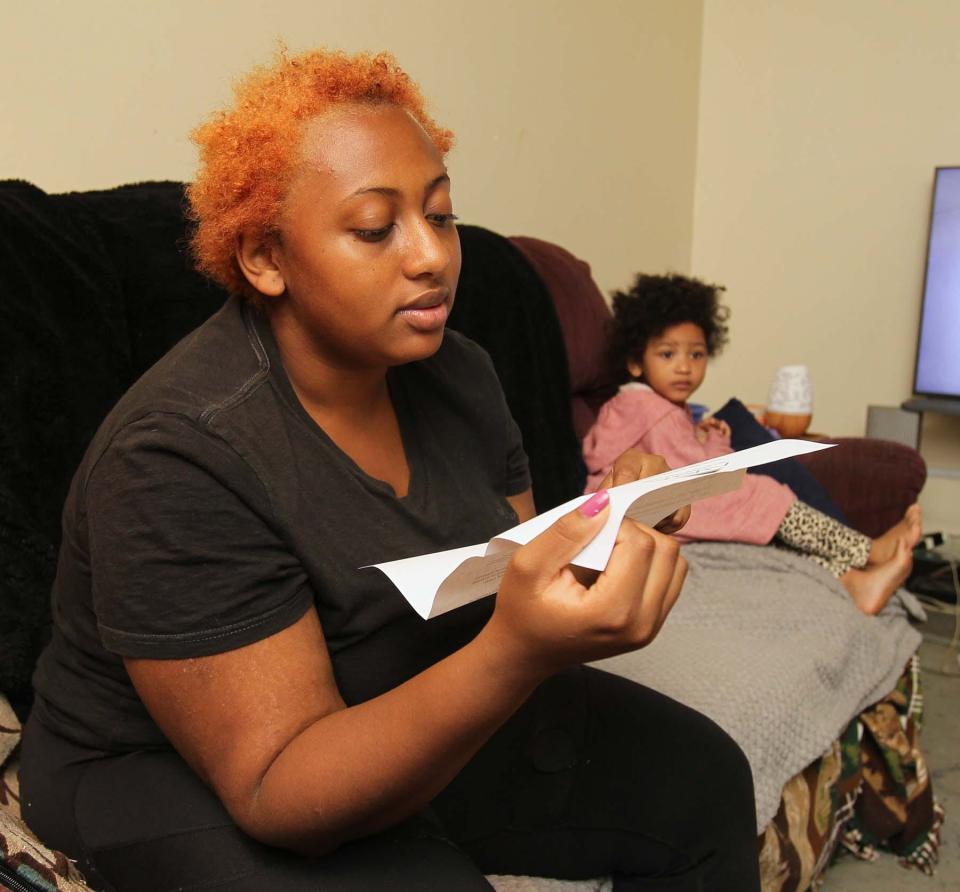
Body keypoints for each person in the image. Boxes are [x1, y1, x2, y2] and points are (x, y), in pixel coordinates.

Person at [20, 49, 762, 892]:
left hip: (390, 684)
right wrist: (519, 651)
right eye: (377, 229)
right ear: (266, 258)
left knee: (705, 781)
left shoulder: (462, 373)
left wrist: (606, 533)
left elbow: (502, 575)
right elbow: (275, 786)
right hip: (166, 770)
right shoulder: (180, 456)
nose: (431, 257)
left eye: (440, 217)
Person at [582, 272, 922, 616]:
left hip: (656, 507)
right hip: (640, 510)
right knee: (760, 495)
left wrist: (704, 433)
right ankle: (868, 550)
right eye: (668, 355)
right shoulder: (650, 408)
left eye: (696, 355)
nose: (684, 367)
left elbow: (688, 461)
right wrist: (711, 441)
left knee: (766, 541)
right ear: (636, 363)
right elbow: (701, 473)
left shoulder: (651, 407)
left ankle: (852, 582)